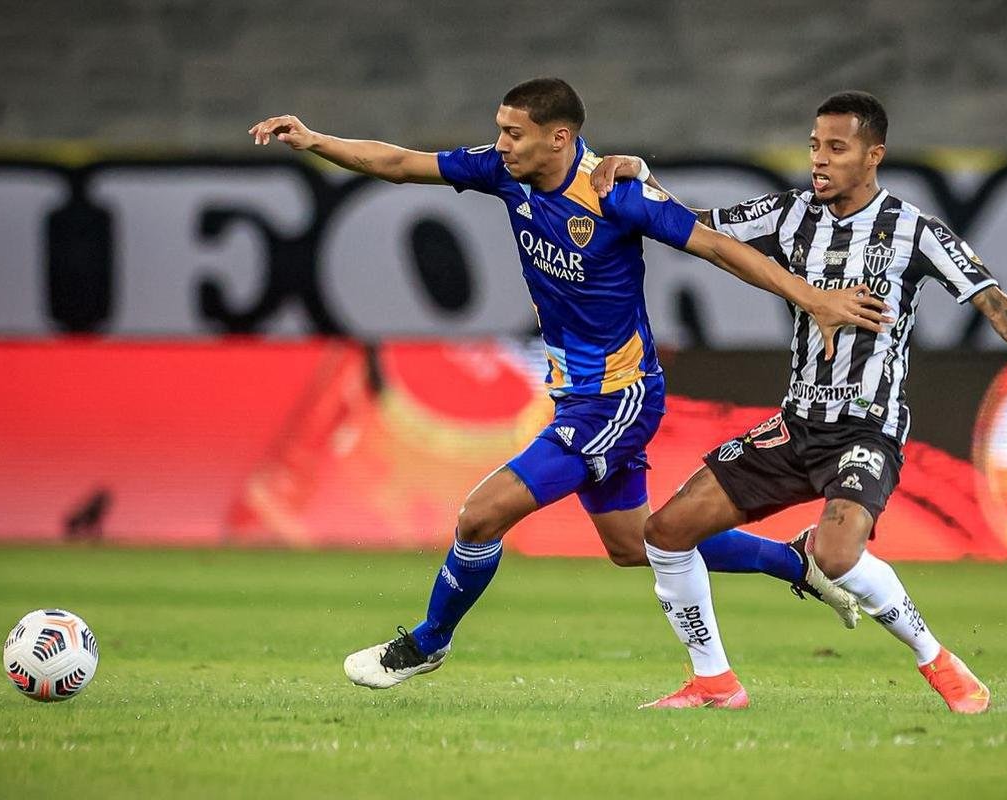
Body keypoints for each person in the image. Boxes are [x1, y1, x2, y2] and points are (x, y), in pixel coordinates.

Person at [249, 78, 889, 690]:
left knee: (480, 516)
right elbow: (398, 162)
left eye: (513, 133)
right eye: (498, 131)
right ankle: (796, 562)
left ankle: (426, 643)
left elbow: (720, 248)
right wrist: (315, 141)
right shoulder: (504, 172)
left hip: (620, 395)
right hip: (575, 391)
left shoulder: (613, 193)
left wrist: (812, 298)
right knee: (635, 544)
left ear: (558, 139)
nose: (500, 144)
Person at [590, 90, 1007, 712]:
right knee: (665, 531)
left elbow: (992, 298)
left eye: (836, 148)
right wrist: (645, 176)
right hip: (795, 426)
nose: (819, 161)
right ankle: (714, 682)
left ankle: (937, 660)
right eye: (813, 146)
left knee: (835, 552)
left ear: (872, 155)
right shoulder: (789, 214)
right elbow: (698, 227)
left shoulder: (915, 231)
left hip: (866, 431)